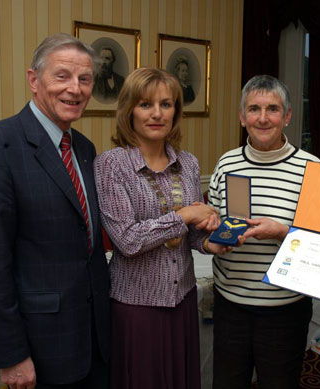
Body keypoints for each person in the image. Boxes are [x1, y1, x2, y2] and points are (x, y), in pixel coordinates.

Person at [0, 33, 110, 388]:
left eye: (84, 79)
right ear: (33, 80)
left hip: (96, 340)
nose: (75, 88)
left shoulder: (85, 148)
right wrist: (10, 353)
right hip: (40, 348)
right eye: (62, 76)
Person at [93, 67, 229, 389]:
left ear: (176, 112)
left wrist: (210, 243)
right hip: (136, 308)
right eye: (145, 104)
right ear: (129, 110)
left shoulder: (189, 163)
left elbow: (192, 236)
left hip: (182, 300)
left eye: (166, 105)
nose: (157, 114)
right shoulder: (112, 165)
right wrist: (186, 215)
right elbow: (127, 240)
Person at [208, 74, 320, 389]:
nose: (262, 118)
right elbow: (214, 222)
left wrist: (283, 232)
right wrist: (213, 230)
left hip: (285, 311)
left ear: (287, 117)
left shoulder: (313, 169)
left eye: (272, 109)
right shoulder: (226, 164)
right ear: (242, 117)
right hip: (230, 305)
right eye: (253, 109)